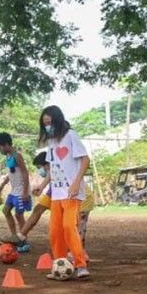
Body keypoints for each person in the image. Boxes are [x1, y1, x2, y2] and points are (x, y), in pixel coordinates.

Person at [39, 105, 89, 280]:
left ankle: (80, 264)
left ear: (57, 120)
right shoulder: (51, 143)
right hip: (56, 194)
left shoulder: (71, 136)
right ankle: (59, 263)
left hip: (70, 193)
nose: (47, 126)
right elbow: (52, 168)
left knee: (69, 226)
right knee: (55, 231)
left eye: (49, 123)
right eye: (45, 124)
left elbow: (85, 159)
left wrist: (76, 183)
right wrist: (42, 185)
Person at [0, 132, 31, 237]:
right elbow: (10, 173)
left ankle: (23, 239)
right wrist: (2, 185)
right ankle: (15, 236)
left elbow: (25, 173)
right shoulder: (8, 157)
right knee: (6, 211)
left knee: (19, 215)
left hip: (21, 191)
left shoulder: (17, 156)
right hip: (14, 191)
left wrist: (25, 192)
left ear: (6, 144)